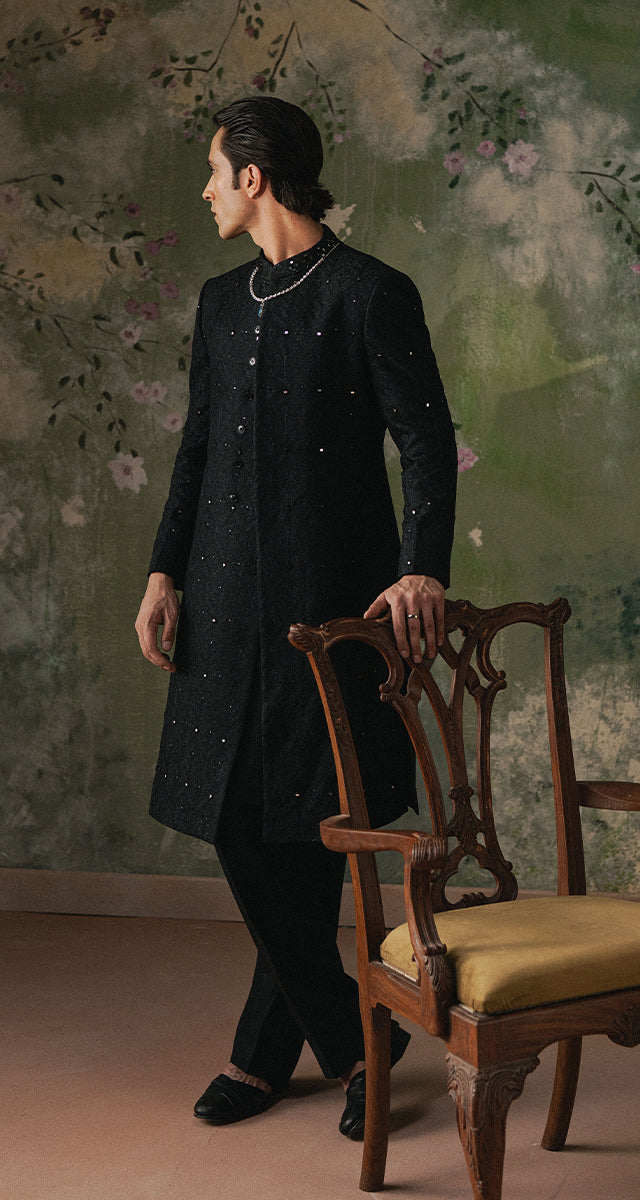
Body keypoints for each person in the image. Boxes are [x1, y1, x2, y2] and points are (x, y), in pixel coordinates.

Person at [134, 96, 457, 1138]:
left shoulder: (371, 293)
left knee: (310, 825)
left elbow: (425, 442)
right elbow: (195, 448)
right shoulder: (221, 303)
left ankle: (264, 1057)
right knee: (239, 819)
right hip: (224, 604)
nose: (205, 191)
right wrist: (163, 572)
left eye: (214, 173)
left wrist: (421, 571)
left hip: (331, 609)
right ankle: (361, 1038)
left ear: (254, 176)